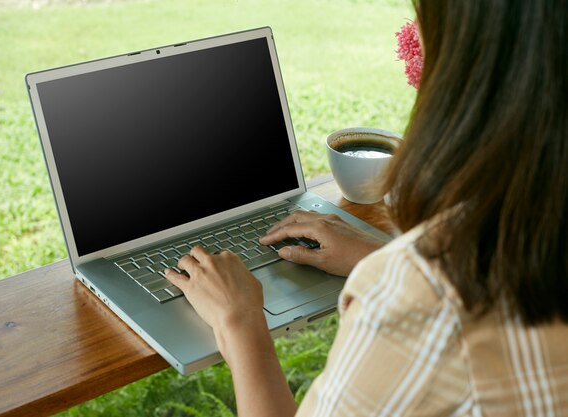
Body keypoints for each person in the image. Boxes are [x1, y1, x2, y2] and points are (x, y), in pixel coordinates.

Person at [165, 0, 568, 415]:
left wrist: (240, 321)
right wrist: (379, 256)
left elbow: (439, 308)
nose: (416, 40)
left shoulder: (424, 303)